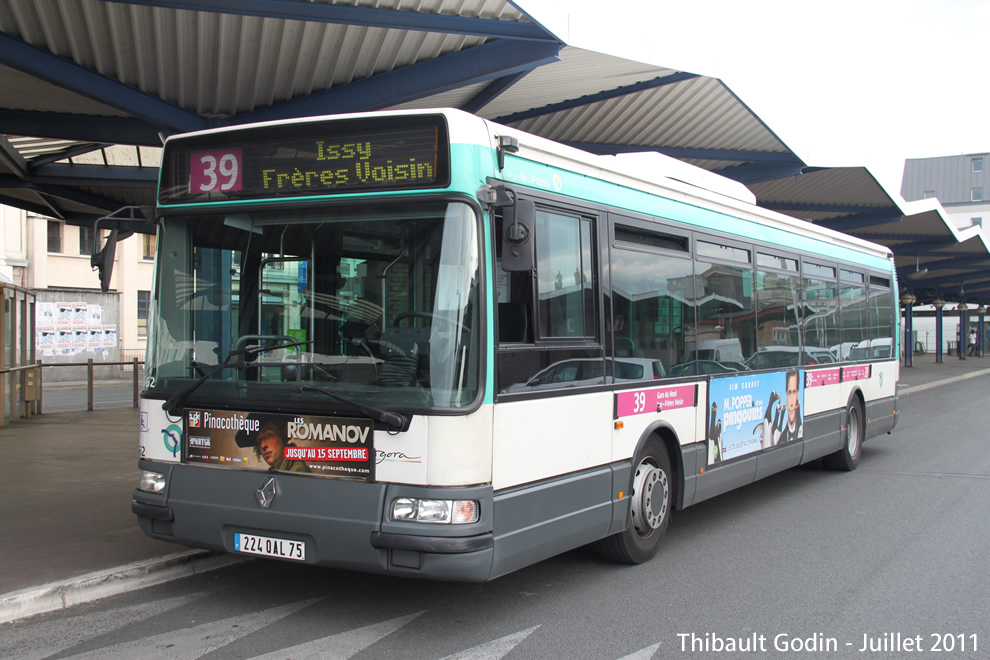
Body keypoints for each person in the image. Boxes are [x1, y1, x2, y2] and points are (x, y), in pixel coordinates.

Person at [235, 418, 311, 472]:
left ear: (282, 434)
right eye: (259, 440)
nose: (263, 445)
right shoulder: (279, 470)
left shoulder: (297, 471)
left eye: (269, 435)